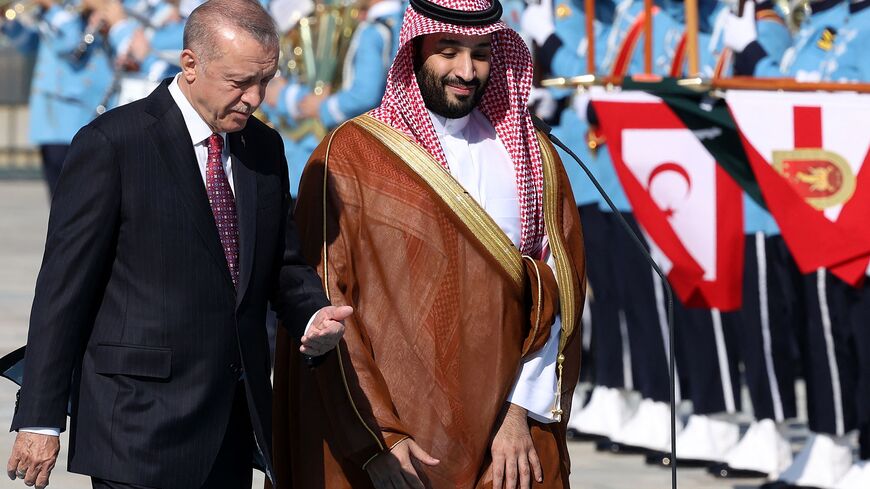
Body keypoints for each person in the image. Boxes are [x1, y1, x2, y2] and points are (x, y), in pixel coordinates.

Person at [4, 1, 350, 488]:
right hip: (136, 429)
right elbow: (63, 291)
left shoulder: (264, 149)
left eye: (265, 80)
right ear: (190, 65)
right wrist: (39, 419)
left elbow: (281, 264)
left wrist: (312, 314)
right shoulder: (113, 144)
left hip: (230, 429)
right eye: (239, 82)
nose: (255, 98)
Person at [269, 0, 586, 486]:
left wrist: (520, 409)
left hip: (505, 438)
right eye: (449, 51)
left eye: (481, 53)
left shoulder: (533, 154)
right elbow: (329, 304)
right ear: (415, 49)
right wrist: (380, 439)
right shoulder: (352, 155)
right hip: (395, 436)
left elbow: (557, 289)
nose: (466, 70)